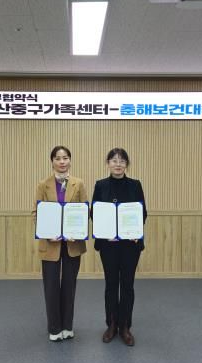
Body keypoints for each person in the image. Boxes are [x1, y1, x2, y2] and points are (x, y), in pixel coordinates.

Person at [91, 148, 147, 346]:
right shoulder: (100, 185)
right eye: (114, 160)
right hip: (108, 245)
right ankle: (111, 325)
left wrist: (133, 231)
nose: (118, 164)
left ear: (126, 165)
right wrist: (106, 230)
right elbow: (94, 213)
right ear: (108, 163)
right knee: (111, 285)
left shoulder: (135, 185)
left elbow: (142, 212)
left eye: (122, 161)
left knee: (128, 285)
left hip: (130, 245)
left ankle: (125, 327)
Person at [33, 146, 88, 342]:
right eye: (58, 158)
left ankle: (67, 326)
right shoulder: (43, 184)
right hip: (51, 244)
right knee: (51, 286)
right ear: (52, 162)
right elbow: (37, 213)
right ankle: (54, 328)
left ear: (70, 160)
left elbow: (84, 211)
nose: (62, 161)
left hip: (73, 244)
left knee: (69, 286)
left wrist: (78, 232)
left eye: (65, 158)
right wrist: (47, 233)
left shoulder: (78, 183)